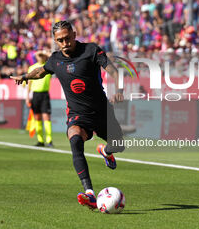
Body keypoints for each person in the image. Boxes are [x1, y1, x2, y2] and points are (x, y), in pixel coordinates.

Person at [11, 20, 125, 210]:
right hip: (77, 114)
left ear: (74, 34)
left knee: (119, 145)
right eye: (60, 40)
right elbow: (41, 71)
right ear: (55, 41)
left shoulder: (91, 50)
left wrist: (119, 89)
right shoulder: (55, 59)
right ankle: (89, 193)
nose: (65, 43)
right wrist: (24, 77)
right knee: (75, 140)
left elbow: (112, 70)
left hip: (102, 111)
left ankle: (106, 152)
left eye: (67, 38)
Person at [26, 50, 53, 147]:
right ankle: (40, 140)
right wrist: (27, 97)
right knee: (37, 117)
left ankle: (49, 140)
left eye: (42, 56)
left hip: (45, 94)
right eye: (39, 55)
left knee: (46, 117)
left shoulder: (48, 67)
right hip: (35, 95)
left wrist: (46, 53)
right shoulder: (32, 68)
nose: (41, 57)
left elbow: (52, 57)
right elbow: (29, 84)